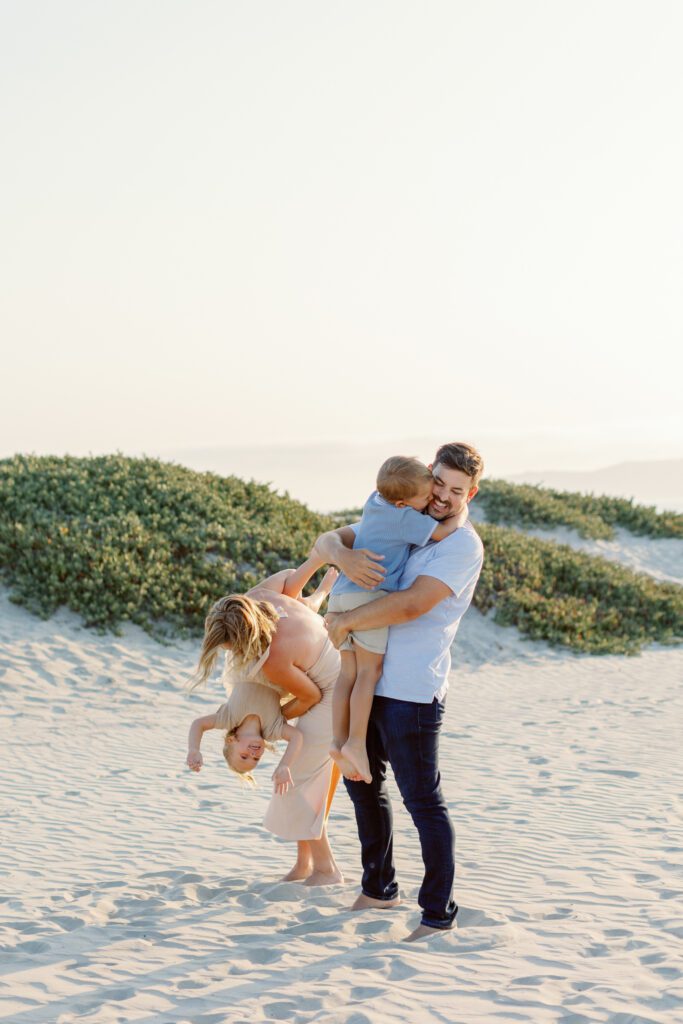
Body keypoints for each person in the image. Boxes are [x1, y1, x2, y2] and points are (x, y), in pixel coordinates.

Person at [314, 441, 484, 939]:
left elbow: (413, 604)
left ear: (470, 492)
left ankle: (437, 913)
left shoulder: (460, 545)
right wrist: (342, 554)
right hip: (371, 678)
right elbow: (326, 541)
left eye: (456, 490)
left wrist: (343, 623)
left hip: (411, 690)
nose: (444, 496)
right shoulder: (401, 510)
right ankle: (379, 888)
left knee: (421, 801)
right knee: (361, 787)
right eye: (439, 483)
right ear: (427, 475)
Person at [186, 558, 344, 885]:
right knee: (298, 778)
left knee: (297, 779)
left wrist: (274, 719)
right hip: (324, 668)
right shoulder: (255, 599)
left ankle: (327, 869)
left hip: (332, 691)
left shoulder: (273, 660)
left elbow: (312, 696)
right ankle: (304, 864)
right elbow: (289, 579)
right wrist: (314, 569)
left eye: (232, 648)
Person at [327, 455, 463, 785]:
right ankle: (356, 744)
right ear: (403, 502)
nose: (431, 498)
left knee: (346, 673)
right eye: (425, 496)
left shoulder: (376, 501)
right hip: (368, 599)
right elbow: (444, 533)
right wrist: (463, 514)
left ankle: (337, 740)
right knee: (368, 673)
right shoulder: (405, 517)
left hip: (342, 593)